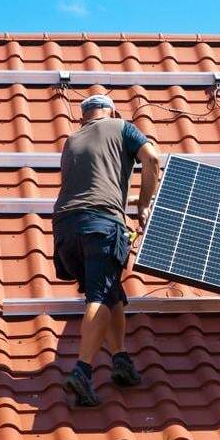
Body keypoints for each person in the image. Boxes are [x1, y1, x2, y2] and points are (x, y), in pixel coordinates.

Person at [53, 94, 161, 406]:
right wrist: (143, 206)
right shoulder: (123, 127)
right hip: (101, 223)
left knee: (111, 290)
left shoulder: (72, 139)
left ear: (82, 117)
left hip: (64, 230)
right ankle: (83, 371)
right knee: (99, 296)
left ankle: (121, 360)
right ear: (112, 111)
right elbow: (152, 159)